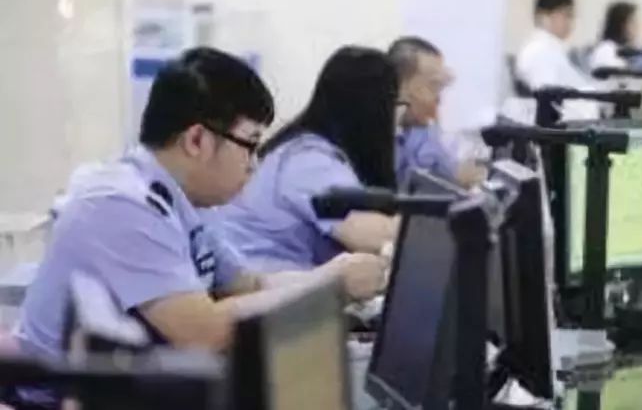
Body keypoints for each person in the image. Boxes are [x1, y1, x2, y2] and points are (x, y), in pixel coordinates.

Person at [6, 48, 386, 408]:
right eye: (250, 145)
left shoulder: (185, 200)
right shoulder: (122, 204)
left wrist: (332, 278)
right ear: (197, 140)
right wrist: (330, 286)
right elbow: (203, 333)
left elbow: (249, 285)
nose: (253, 165)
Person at [215, 46, 400, 271]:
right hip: (258, 280)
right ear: (375, 110)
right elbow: (370, 235)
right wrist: (429, 222)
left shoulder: (303, 148)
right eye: (397, 106)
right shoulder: (309, 161)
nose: (399, 119)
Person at [388, 36, 486, 188]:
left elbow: (451, 170)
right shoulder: (380, 141)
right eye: (433, 86)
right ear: (401, 86)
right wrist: (456, 182)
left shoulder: (422, 130)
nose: (439, 99)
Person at [515, 0, 593, 91]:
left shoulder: (551, 48)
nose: (570, 22)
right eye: (566, 15)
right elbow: (548, 94)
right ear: (544, 16)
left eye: (571, 16)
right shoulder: (540, 51)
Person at [590, 0, 640, 72]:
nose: (637, 27)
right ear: (621, 25)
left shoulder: (627, 51)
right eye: (633, 22)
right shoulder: (606, 50)